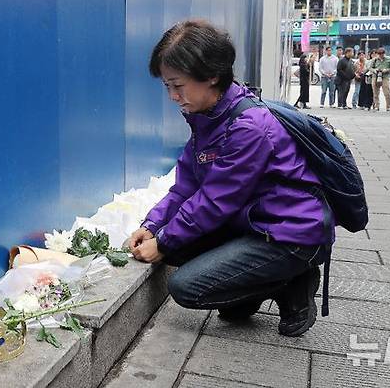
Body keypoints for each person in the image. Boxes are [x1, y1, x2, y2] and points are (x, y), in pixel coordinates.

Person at [129, 20, 333, 337]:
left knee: (185, 287)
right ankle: (246, 292)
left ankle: (294, 281)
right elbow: (186, 187)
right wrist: (151, 225)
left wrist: (164, 240)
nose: (172, 96)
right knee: (178, 248)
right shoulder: (207, 118)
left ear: (212, 76)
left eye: (178, 85)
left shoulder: (248, 127)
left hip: (290, 235)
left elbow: (214, 201)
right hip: (252, 224)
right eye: (166, 86)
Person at [367, 47, 390, 111]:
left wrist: (387, 70)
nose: (380, 55)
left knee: (387, 92)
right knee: (375, 93)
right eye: (379, 54)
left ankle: (388, 107)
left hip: (385, 77)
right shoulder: (374, 60)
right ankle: (376, 106)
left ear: (384, 53)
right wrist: (375, 70)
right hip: (375, 77)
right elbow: (370, 67)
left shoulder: (389, 59)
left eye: (382, 54)